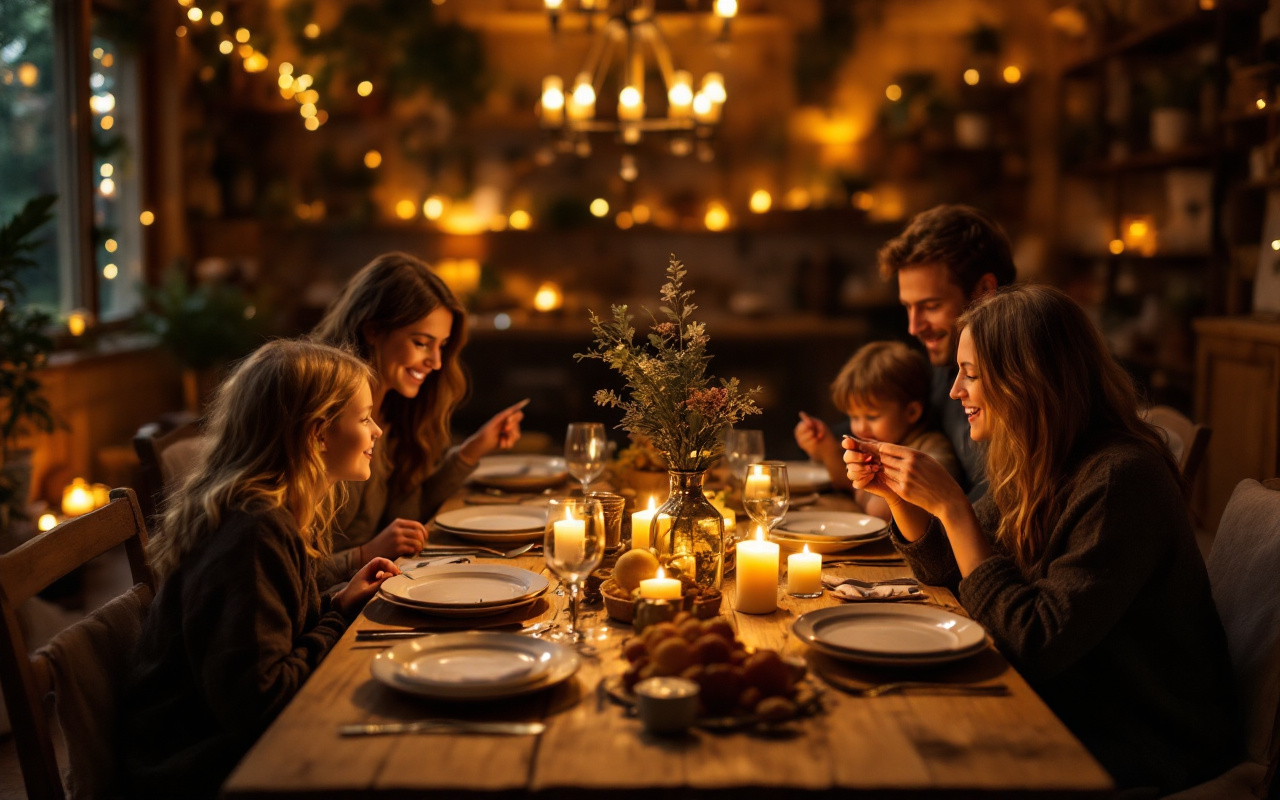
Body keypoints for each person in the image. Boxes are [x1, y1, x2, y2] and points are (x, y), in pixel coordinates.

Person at [843, 285, 1240, 795]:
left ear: (1024, 381)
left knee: (906, 752)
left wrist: (953, 508)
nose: (954, 392)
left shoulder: (1121, 478)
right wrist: (896, 493)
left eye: (971, 374)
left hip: (1139, 736)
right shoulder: (1039, 459)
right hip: (1067, 699)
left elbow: (1034, 641)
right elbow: (951, 568)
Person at [121, 339, 400, 800]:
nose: (377, 432)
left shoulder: (268, 515)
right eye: (364, 417)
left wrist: (339, 600)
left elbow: (274, 641)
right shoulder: (254, 531)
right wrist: (336, 618)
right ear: (318, 433)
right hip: (203, 770)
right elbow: (262, 705)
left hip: (226, 747)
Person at [312, 252, 526, 585]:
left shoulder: (394, 414)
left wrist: (471, 451)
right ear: (373, 331)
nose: (437, 362)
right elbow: (287, 574)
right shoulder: (325, 421)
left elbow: (407, 518)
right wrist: (364, 554)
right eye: (422, 343)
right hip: (333, 612)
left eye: (441, 346)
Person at [877, 204, 1017, 500]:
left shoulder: (1023, 386)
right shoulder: (946, 370)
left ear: (984, 290)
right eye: (908, 307)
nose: (914, 327)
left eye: (931, 306)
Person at [794, 340, 960, 520]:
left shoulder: (931, 452)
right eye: (854, 417)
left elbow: (879, 510)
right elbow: (843, 481)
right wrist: (825, 449)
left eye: (871, 417)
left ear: (911, 411)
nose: (860, 428)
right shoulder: (878, 444)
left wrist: (860, 488)